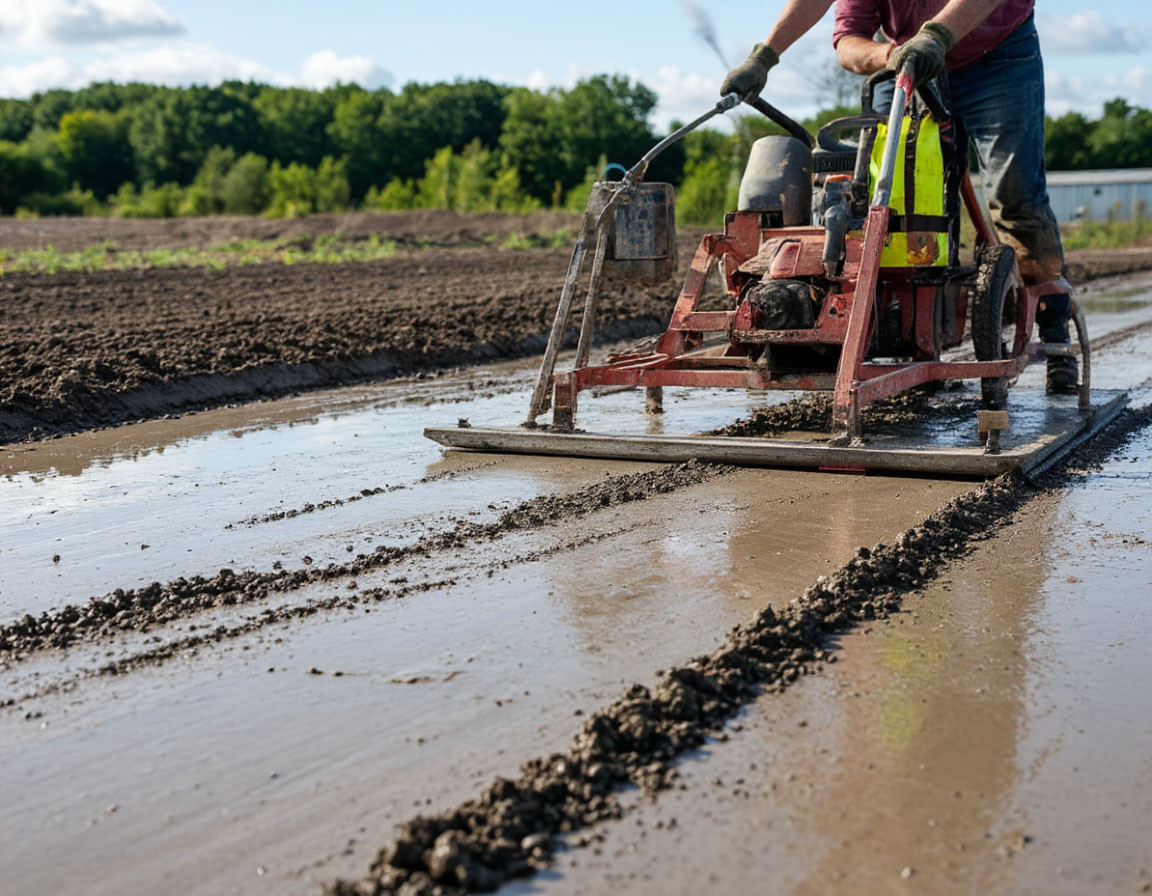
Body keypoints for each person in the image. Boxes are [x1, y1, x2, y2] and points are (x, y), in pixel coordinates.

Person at [720, 0, 1078, 393]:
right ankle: (909, 332)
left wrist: (937, 35)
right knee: (886, 198)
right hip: (908, 58)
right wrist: (765, 56)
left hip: (998, 54)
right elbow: (847, 41)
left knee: (1016, 196)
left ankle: (1054, 328)